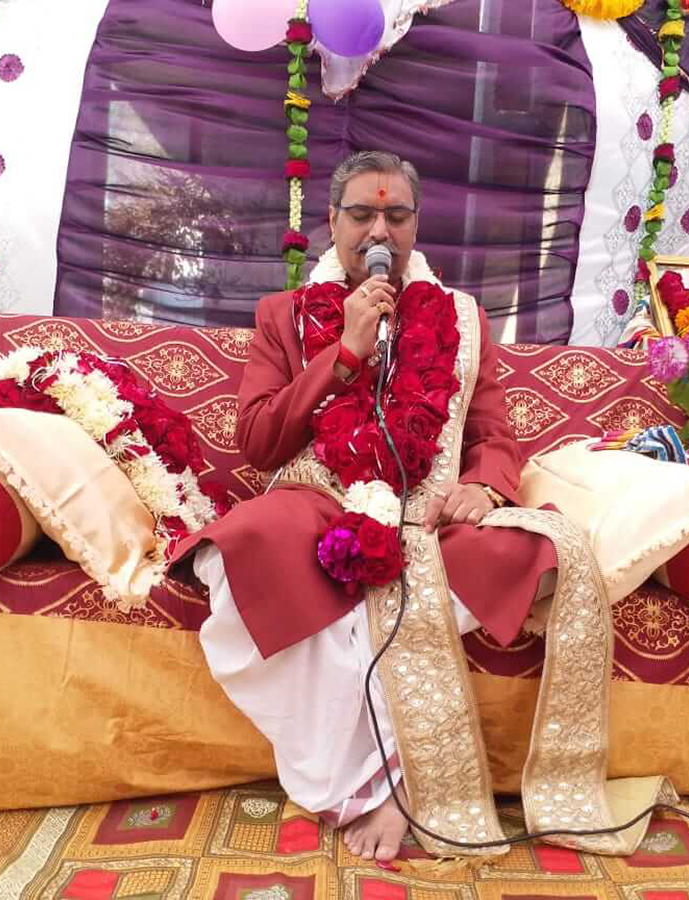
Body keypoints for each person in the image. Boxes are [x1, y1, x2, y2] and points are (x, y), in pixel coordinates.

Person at [171, 150, 559, 863]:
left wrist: (484, 486)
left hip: (431, 512)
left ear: (416, 224)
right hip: (317, 497)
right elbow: (258, 442)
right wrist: (343, 353)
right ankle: (369, 785)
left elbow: (492, 434)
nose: (379, 231)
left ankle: (382, 770)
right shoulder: (284, 315)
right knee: (241, 547)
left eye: (396, 215)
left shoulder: (465, 319)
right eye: (361, 214)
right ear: (332, 221)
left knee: (530, 547)